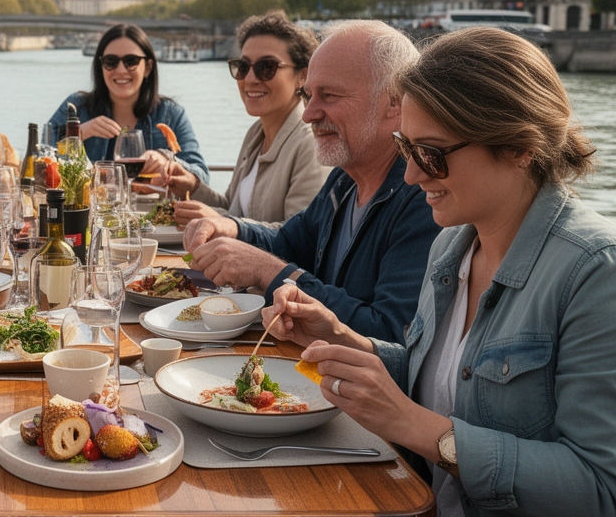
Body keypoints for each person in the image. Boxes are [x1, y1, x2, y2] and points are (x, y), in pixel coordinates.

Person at [193, 27, 616, 517]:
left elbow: (605, 490)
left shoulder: (602, 274)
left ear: (520, 145)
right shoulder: (454, 246)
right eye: (407, 149)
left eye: (431, 154)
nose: (410, 175)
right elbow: (447, 378)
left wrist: (415, 426)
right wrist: (338, 335)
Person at [183, 21, 440, 343]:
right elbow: (291, 243)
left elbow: (389, 333)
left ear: (395, 103)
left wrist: (268, 271)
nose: (309, 114)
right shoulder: (346, 177)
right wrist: (234, 230)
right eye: (308, 96)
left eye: (329, 96)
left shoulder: (427, 198)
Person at [162, 10, 329, 230]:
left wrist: (225, 224)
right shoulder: (256, 133)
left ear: (303, 77)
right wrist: (193, 187)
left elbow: (301, 236)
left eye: (266, 67)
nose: (250, 79)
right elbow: (232, 209)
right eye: (243, 66)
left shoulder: (311, 144)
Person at [48, 23, 209, 183]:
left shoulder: (170, 114)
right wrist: (77, 135)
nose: (121, 70)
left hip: (154, 209)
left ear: (148, 67)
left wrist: (167, 159)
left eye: (131, 61)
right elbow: (40, 162)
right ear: (101, 66)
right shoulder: (75, 108)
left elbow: (202, 178)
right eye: (111, 61)